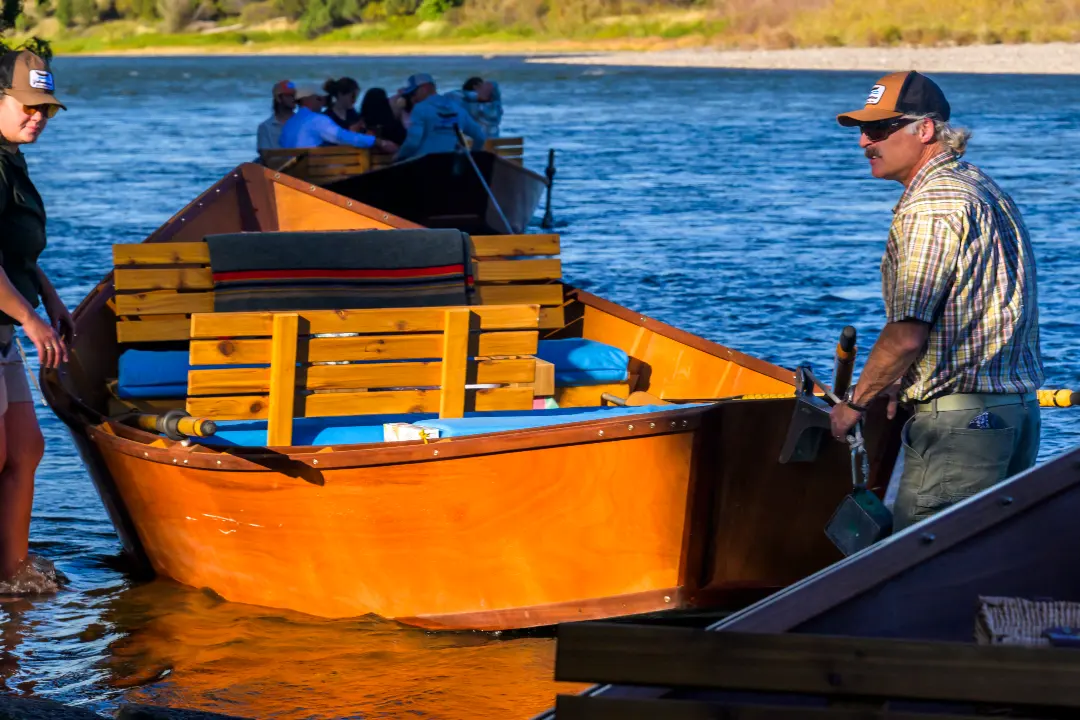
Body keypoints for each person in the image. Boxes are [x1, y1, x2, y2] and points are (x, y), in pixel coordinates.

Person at [828, 71, 1044, 532]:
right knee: (982, 564)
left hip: (963, 428)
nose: (865, 141)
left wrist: (855, 404)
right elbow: (971, 308)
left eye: (879, 129)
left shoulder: (932, 204)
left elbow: (906, 335)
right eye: (863, 130)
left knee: (922, 567)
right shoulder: (980, 186)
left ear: (924, 130)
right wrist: (895, 381)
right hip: (1017, 414)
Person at [0, 49, 73, 583]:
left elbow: (15, 251)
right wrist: (30, 318)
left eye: (44, 108)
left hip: (4, 325)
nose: (37, 116)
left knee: (27, 447)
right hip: (6, 321)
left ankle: (12, 574)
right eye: (26, 104)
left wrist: (48, 297)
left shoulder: (12, 159)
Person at [394, 73, 486, 163]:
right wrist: (473, 157)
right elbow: (480, 137)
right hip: (450, 164)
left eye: (413, 93)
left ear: (424, 88)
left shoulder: (420, 108)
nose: (412, 98)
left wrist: (399, 156)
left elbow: (412, 143)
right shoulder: (457, 108)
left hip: (424, 165)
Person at [279, 85, 398, 154]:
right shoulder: (317, 120)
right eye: (320, 99)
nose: (323, 104)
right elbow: (341, 137)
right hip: (313, 174)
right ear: (308, 100)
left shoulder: (289, 123)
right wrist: (378, 142)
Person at [256, 79, 296, 153]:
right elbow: (265, 156)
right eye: (289, 95)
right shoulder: (266, 127)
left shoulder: (303, 122)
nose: (294, 98)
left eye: (294, 95)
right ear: (278, 98)